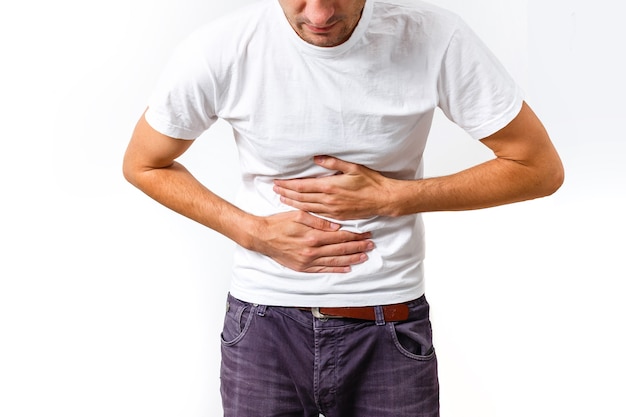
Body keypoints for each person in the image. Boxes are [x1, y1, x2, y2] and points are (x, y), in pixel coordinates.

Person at [122, 0, 564, 415]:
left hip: (387, 324)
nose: (319, 14)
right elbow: (144, 163)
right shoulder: (221, 48)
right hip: (263, 324)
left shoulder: (434, 37)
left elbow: (538, 167)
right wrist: (251, 231)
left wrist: (395, 197)